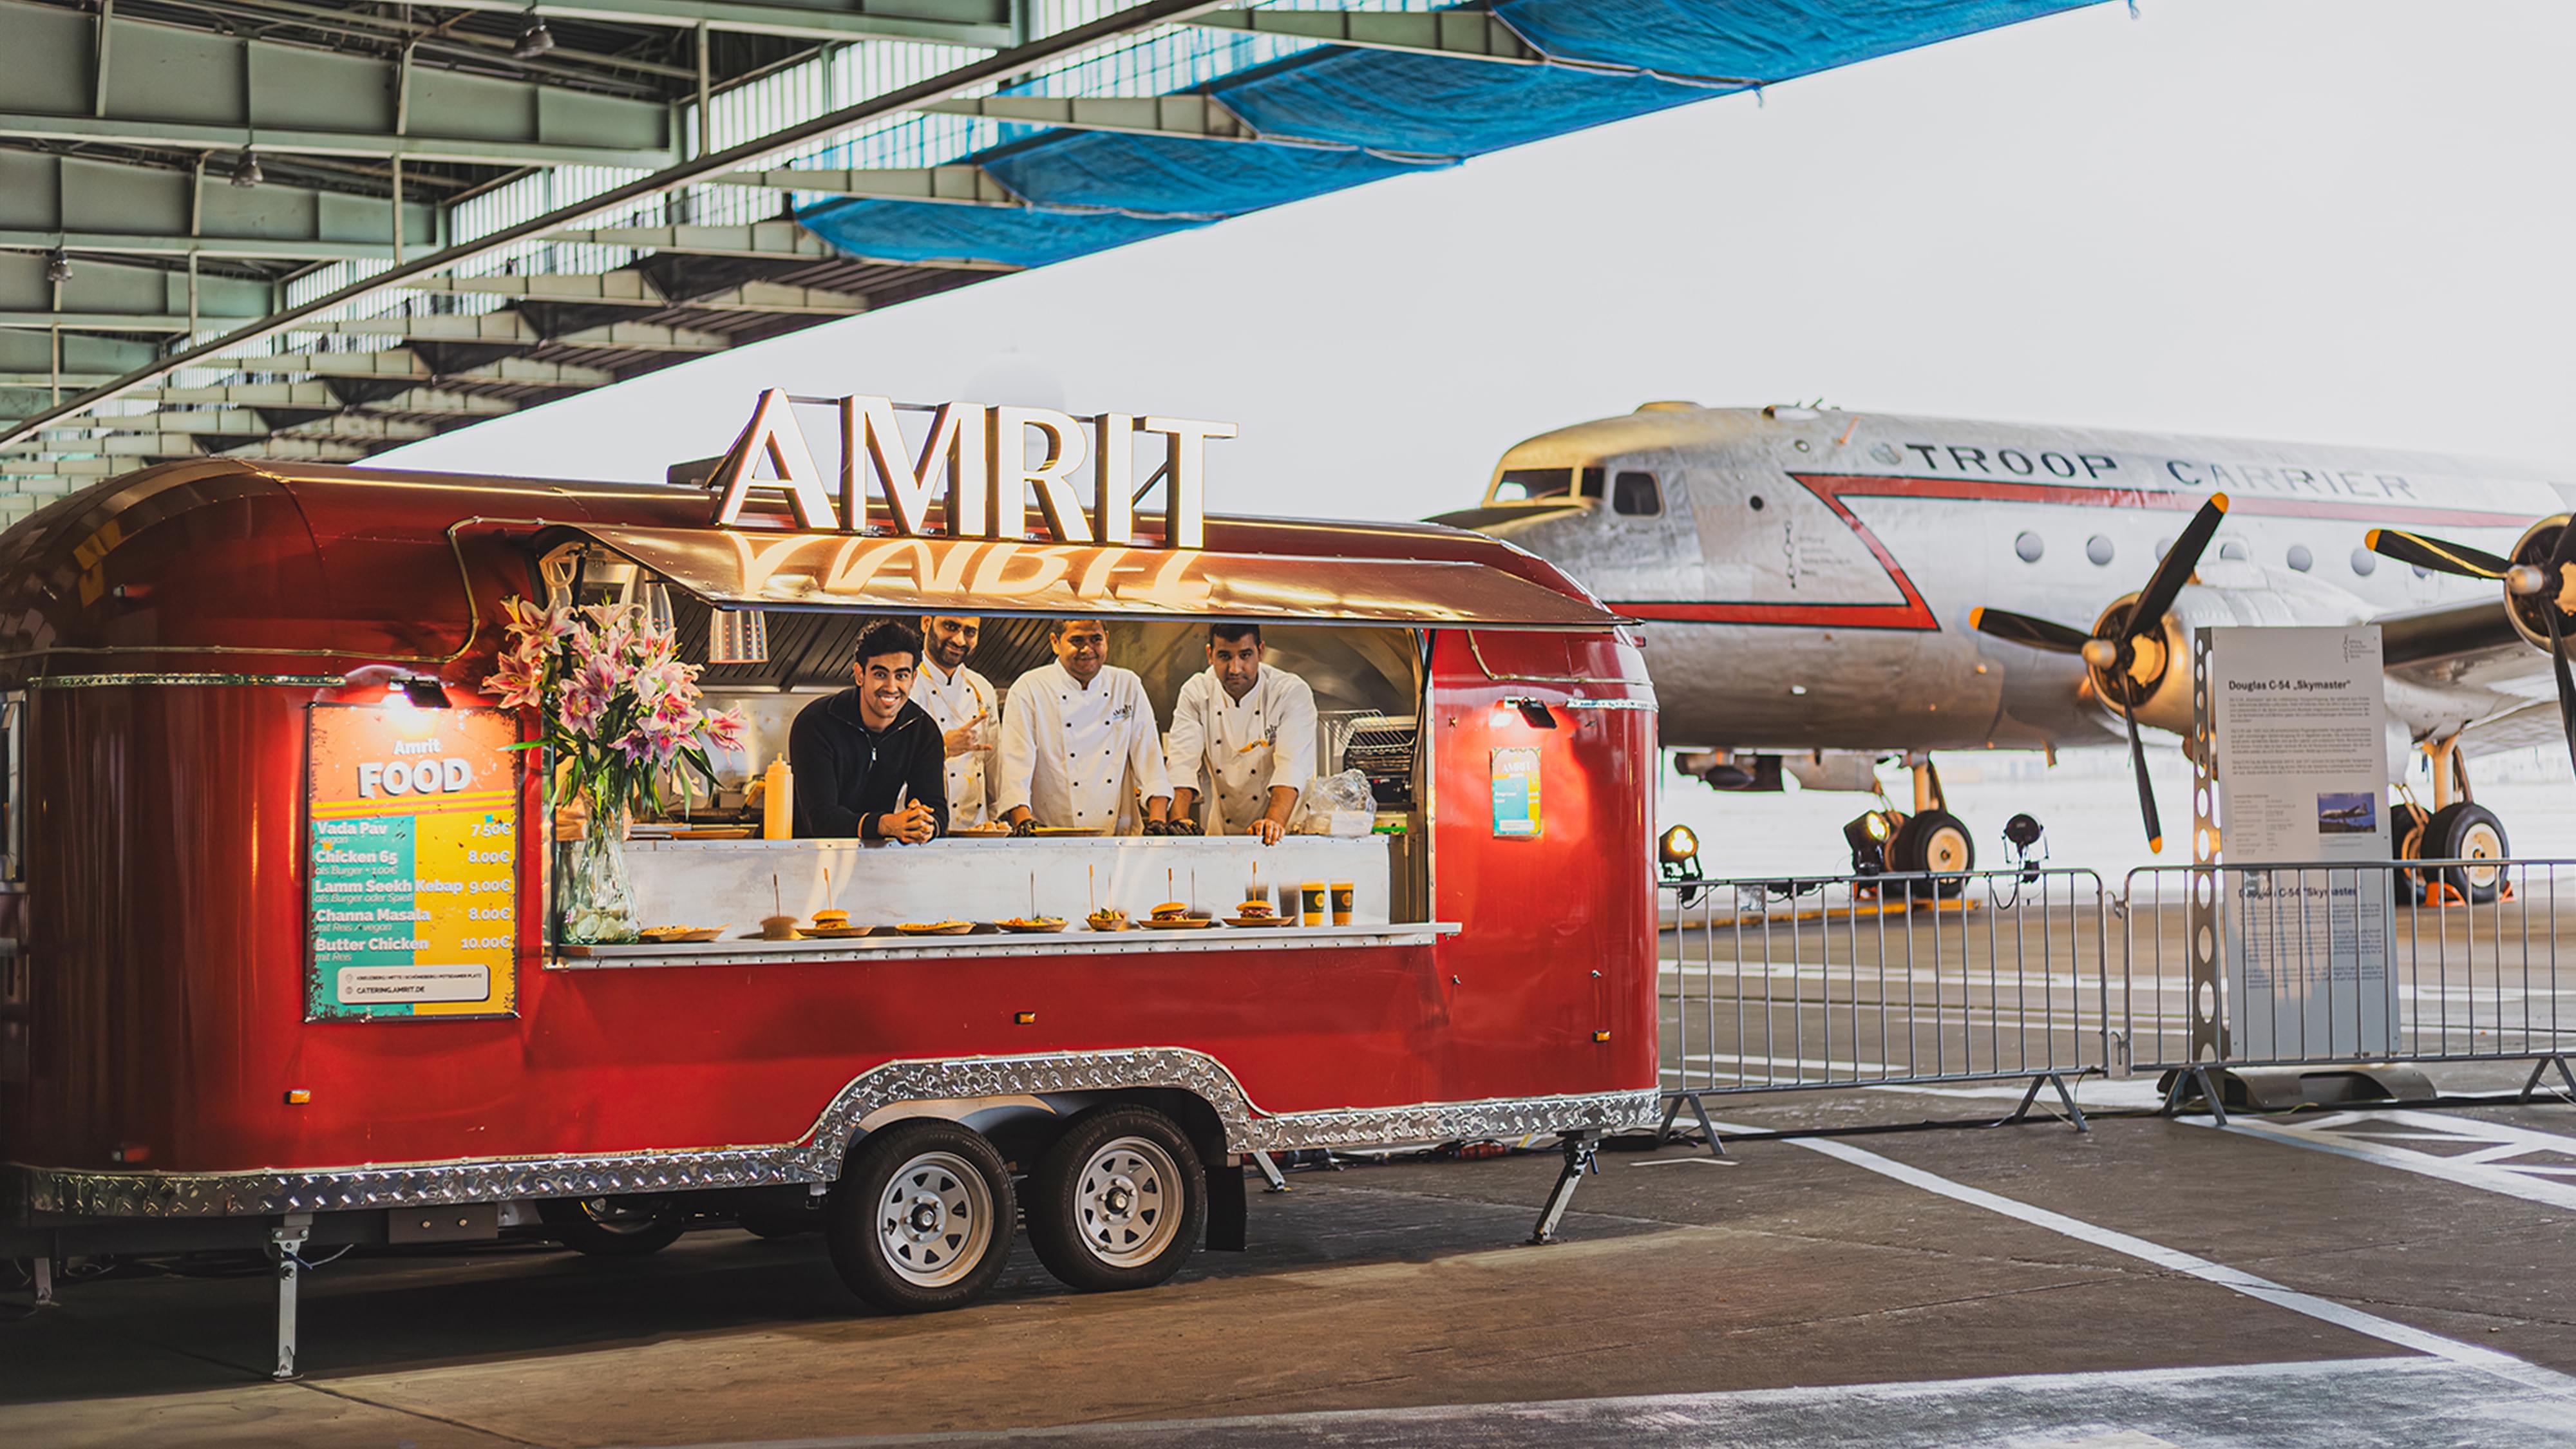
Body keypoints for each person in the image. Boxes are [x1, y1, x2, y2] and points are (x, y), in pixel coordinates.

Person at [995, 618, 1172, 835]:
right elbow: (1015, 767)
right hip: (1050, 836)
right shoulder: (1030, 689)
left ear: (1107, 638)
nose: (1087, 649)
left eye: (1096, 639)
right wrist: (1025, 825)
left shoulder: (1126, 685)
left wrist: (1158, 824)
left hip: (1118, 838)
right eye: (1077, 641)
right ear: (1055, 642)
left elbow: (1151, 761)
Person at [789, 619, 947, 842]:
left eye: (901, 675)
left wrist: (925, 824)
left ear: (913, 679)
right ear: (860, 674)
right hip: (799, 857)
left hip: (874, 860)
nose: (891, 687)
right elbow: (821, 819)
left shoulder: (923, 731)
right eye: (880, 674)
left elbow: (937, 810)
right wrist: (885, 824)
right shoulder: (816, 723)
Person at [1166, 622, 1318, 844]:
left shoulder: (1289, 691)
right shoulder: (1197, 692)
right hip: (1223, 836)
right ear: (1210, 654)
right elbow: (1182, 764)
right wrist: (1178, 824)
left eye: (1245, 655)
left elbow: (1291, 766)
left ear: (1261, 651)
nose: (1235, 669)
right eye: (1225, 656)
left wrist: (1273, 822)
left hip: (1284, 834)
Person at [909, 614, 999, 829]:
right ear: (926, 623)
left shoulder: (982, 689)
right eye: (950, 627)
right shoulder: (904, 684)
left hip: (976, 832)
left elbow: (994, 765)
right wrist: (942, 748)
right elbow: (889, 765)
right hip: (917, 830)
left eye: (970, 632)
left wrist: (996, 820)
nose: (959, 640)